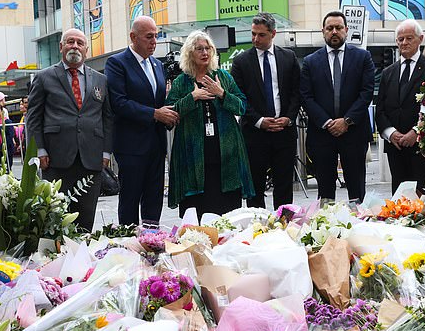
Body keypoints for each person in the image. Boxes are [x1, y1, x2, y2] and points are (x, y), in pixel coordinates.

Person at [27, 28, 113, 232]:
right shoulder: (43, 77)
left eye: (79, 43)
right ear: (61, 47)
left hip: (91, 159)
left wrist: (106, 151)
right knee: (54, 218)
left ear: (86, 50)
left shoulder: (101, 80)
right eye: (70, 42)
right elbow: (33, 118)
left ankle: (82, 259)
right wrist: (39, 150)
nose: (75, 46)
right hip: (55, 159)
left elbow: (107, 118)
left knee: (85, 220)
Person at [166, 30, 254, 219]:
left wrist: (221, 93)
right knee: (197, 214)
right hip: (193, 158)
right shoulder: (182, 82)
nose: (205, 52)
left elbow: (242, 107)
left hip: (226, 157)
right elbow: (169, 113)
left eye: (208, 48)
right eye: (199, 49)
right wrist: (192, 97)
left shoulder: (223, 77)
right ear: (190, 53)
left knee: (228, 215)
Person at [105, 16, 179, 225]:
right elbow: (119, 102)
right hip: (131, 146)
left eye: (156, 36)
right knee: (130, 199)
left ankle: (151, 241)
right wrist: (155, 114)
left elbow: (159, 100)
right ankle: (129, 247)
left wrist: (169, 116)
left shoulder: (157, 64)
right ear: (133, 37)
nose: (154, 41)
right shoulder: (117, 63)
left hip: (156, 144)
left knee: (154, 199)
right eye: (149, 37)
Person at [300, 10, 375, 202]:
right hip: (322, 134)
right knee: (325, 192)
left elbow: (366, 93)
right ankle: (327, 227)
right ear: (323, 31)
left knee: (357, 190)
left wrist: (347, 121)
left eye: (338, 28)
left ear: (347, 30)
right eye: (330, 28)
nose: (334, 32)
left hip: (354, 133)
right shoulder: (310, 62)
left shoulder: (362, 57)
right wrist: (326, 122)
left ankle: (358, 225)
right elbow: (306, 97)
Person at [231, 12, 301, 210]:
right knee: (255, 186)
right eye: (253, 34)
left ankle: (285, 227)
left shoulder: (288, 57)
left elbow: (297, 92)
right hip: (255, 134)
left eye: (261, 35)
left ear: (273, 34)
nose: (255, 39)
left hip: (284, 132)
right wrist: (260, 120)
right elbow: (239, 97)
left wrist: (288, 118)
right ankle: (257, 230)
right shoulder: (241, 62)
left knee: (284, 185)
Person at [376, 19, 425, 195]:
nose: (404, 43)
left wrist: (416, 132)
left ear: (420, 39)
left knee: (421, 195)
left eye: (409, 38)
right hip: (396, 146)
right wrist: (390, 133)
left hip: (421, 146)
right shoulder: (388, 72)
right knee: (399, 196)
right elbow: (380, 109)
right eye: (400, 39)